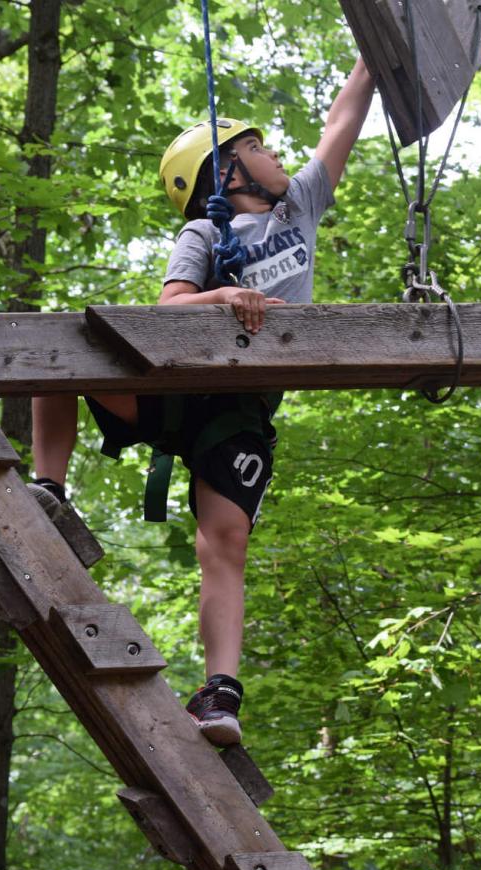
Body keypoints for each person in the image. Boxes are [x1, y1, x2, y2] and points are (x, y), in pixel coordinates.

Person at [27, 59, 376, 745]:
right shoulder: (206, 234)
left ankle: (219, 692)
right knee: (54, 349)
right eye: (259, 147)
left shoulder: (298, 206)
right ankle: (50, 487)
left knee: (226, 541)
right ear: (228, 173)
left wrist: (372, 58)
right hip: (177, 392)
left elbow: (345, 118)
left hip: (237, 410)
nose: (277, 155)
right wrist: (221, 294)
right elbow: (170, 306)